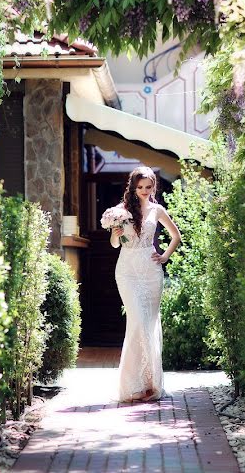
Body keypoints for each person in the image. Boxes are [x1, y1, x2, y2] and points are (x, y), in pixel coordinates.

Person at [109, 166, 181, 403]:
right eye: (140, 187)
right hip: (127, 270)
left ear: (153, 187)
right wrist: (116, 233)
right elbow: (114, 245)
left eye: (148, 187)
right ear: (133, 187)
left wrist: (164, 256)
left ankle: (150, 384)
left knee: (148, 325)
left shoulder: (157, 209)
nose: (144, 191)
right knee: (137, 321)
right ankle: (133, 384)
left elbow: (176, 236)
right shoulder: (121, 211)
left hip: (151, 271)